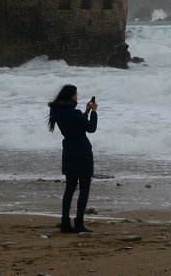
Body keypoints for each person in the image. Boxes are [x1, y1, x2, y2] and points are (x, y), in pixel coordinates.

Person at [47, 84, 98, 233]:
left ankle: (65, 223)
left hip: (69, 152)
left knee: (69, 189)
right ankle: (79, 223)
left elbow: (76, 125)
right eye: (76, 95)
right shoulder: (74, 113)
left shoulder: (58, 112)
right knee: (84, 189)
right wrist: (94, 112)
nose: (77, 97)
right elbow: (91, 128)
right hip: (82, 153)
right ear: (70, 96)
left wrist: (86, 112)